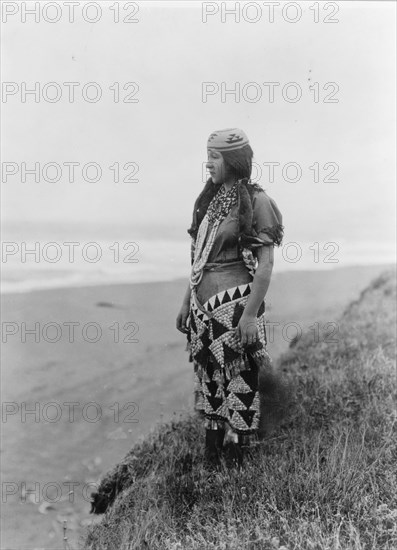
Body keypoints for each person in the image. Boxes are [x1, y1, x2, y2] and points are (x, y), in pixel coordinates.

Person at [176, 128, 284, 468]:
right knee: (209, 380)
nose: (208, 163)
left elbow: (265, 265)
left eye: (214, 157)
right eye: (208, 156)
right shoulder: (209, 199)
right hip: (202, 309)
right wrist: (185, 302)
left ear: (233, 160)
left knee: (240, 380)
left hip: (235, 309)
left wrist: (250, 316)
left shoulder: (257, 201)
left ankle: (240, 461)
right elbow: (200, 260)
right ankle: (212, 457)